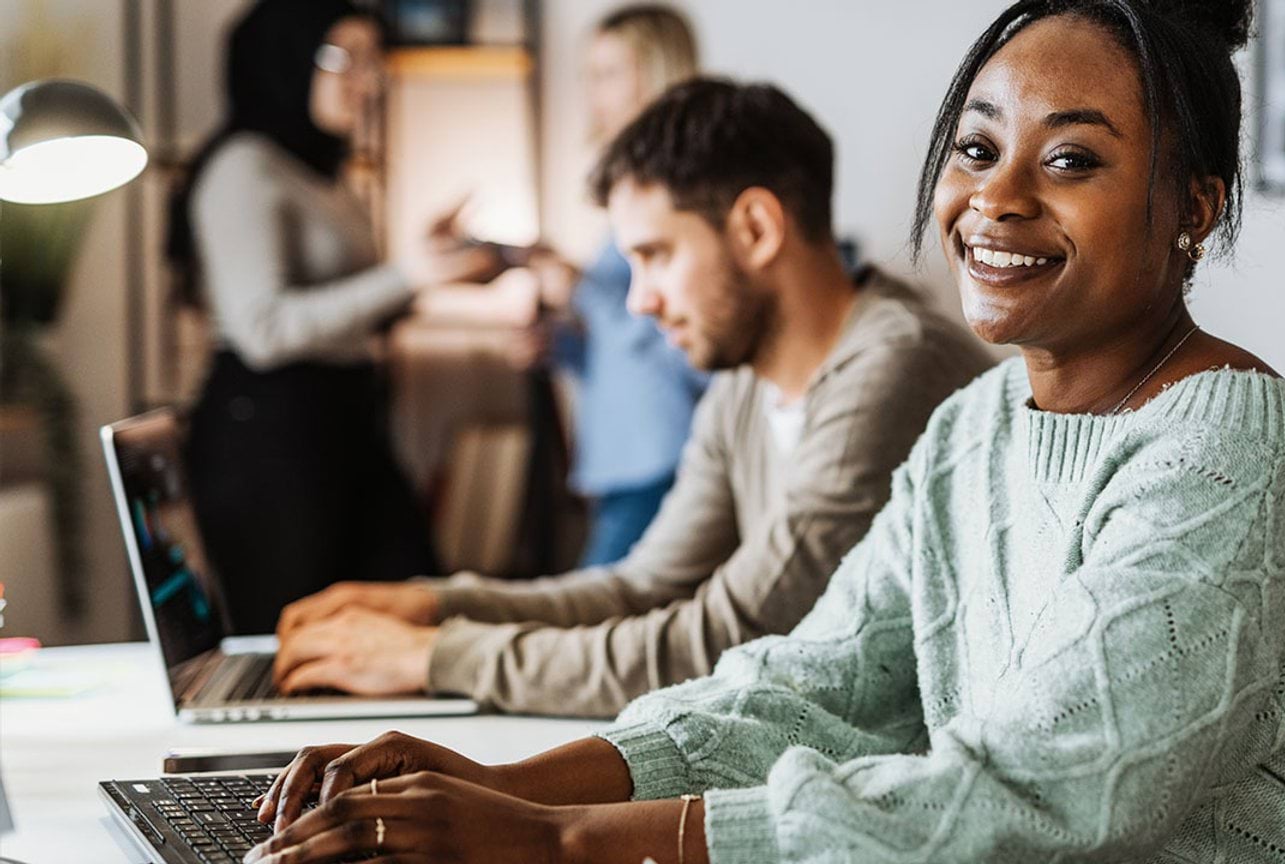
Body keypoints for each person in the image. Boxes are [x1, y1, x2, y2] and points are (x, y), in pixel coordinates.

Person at [244, 2, 1285, 861]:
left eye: (1073, 161)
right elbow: (805, 689)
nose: (995, 196)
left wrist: (556, 842)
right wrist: (492, 787)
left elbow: (1041, 797)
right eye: (978, 148)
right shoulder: (976, 429)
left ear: (1193, 211)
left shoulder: (1244, 452)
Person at [268, 80, 995, 717]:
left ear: (756, 229)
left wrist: (431, 658)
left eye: (655, 256)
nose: (640, 302)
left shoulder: (893, 367)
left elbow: (721, 637)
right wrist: (433, 605)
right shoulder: (745, 384)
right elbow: (643, 587)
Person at [167, 0, 494, 634]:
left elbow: (347, 308)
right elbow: (264, 330)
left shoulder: (324, 172)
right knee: (296, 640)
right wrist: (407, 275)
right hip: (270, 439)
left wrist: (435, 269)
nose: (369, 81)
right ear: (286, 59)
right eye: (348, 60)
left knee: (408, 614)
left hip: (346, 426)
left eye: (376, 62)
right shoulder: (243, 166)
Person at [462, 4, 712, 567]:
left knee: (596, 608)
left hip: (663, 454)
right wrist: (562, 346)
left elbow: (691, 342)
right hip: (622, 456)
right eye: (588, 75)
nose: (591, 92)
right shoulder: (635, 193)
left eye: (608, 73)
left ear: (658, 72)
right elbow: (625, 348)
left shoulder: (690, 192)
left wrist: (579, 287)